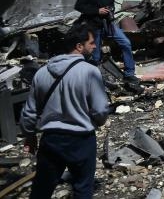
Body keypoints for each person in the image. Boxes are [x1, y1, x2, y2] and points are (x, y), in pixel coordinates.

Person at [21, 22, 110, 199]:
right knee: (82, 188)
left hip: (51, 139)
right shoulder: (90, 71)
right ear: (79, 46)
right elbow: (100, 110)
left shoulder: (42, 72)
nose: (95, 47)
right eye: (91, 43)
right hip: (81, 139)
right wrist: (96, 122)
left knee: (41, 189)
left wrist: (29, 136)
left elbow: (29, 111)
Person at [74, 0, 139, 88]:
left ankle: (129, 74)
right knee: (96, 54)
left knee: (125, 43)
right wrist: (97, 11)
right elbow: (79, 6)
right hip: (94, 24)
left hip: (109, 23)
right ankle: (96, 79)